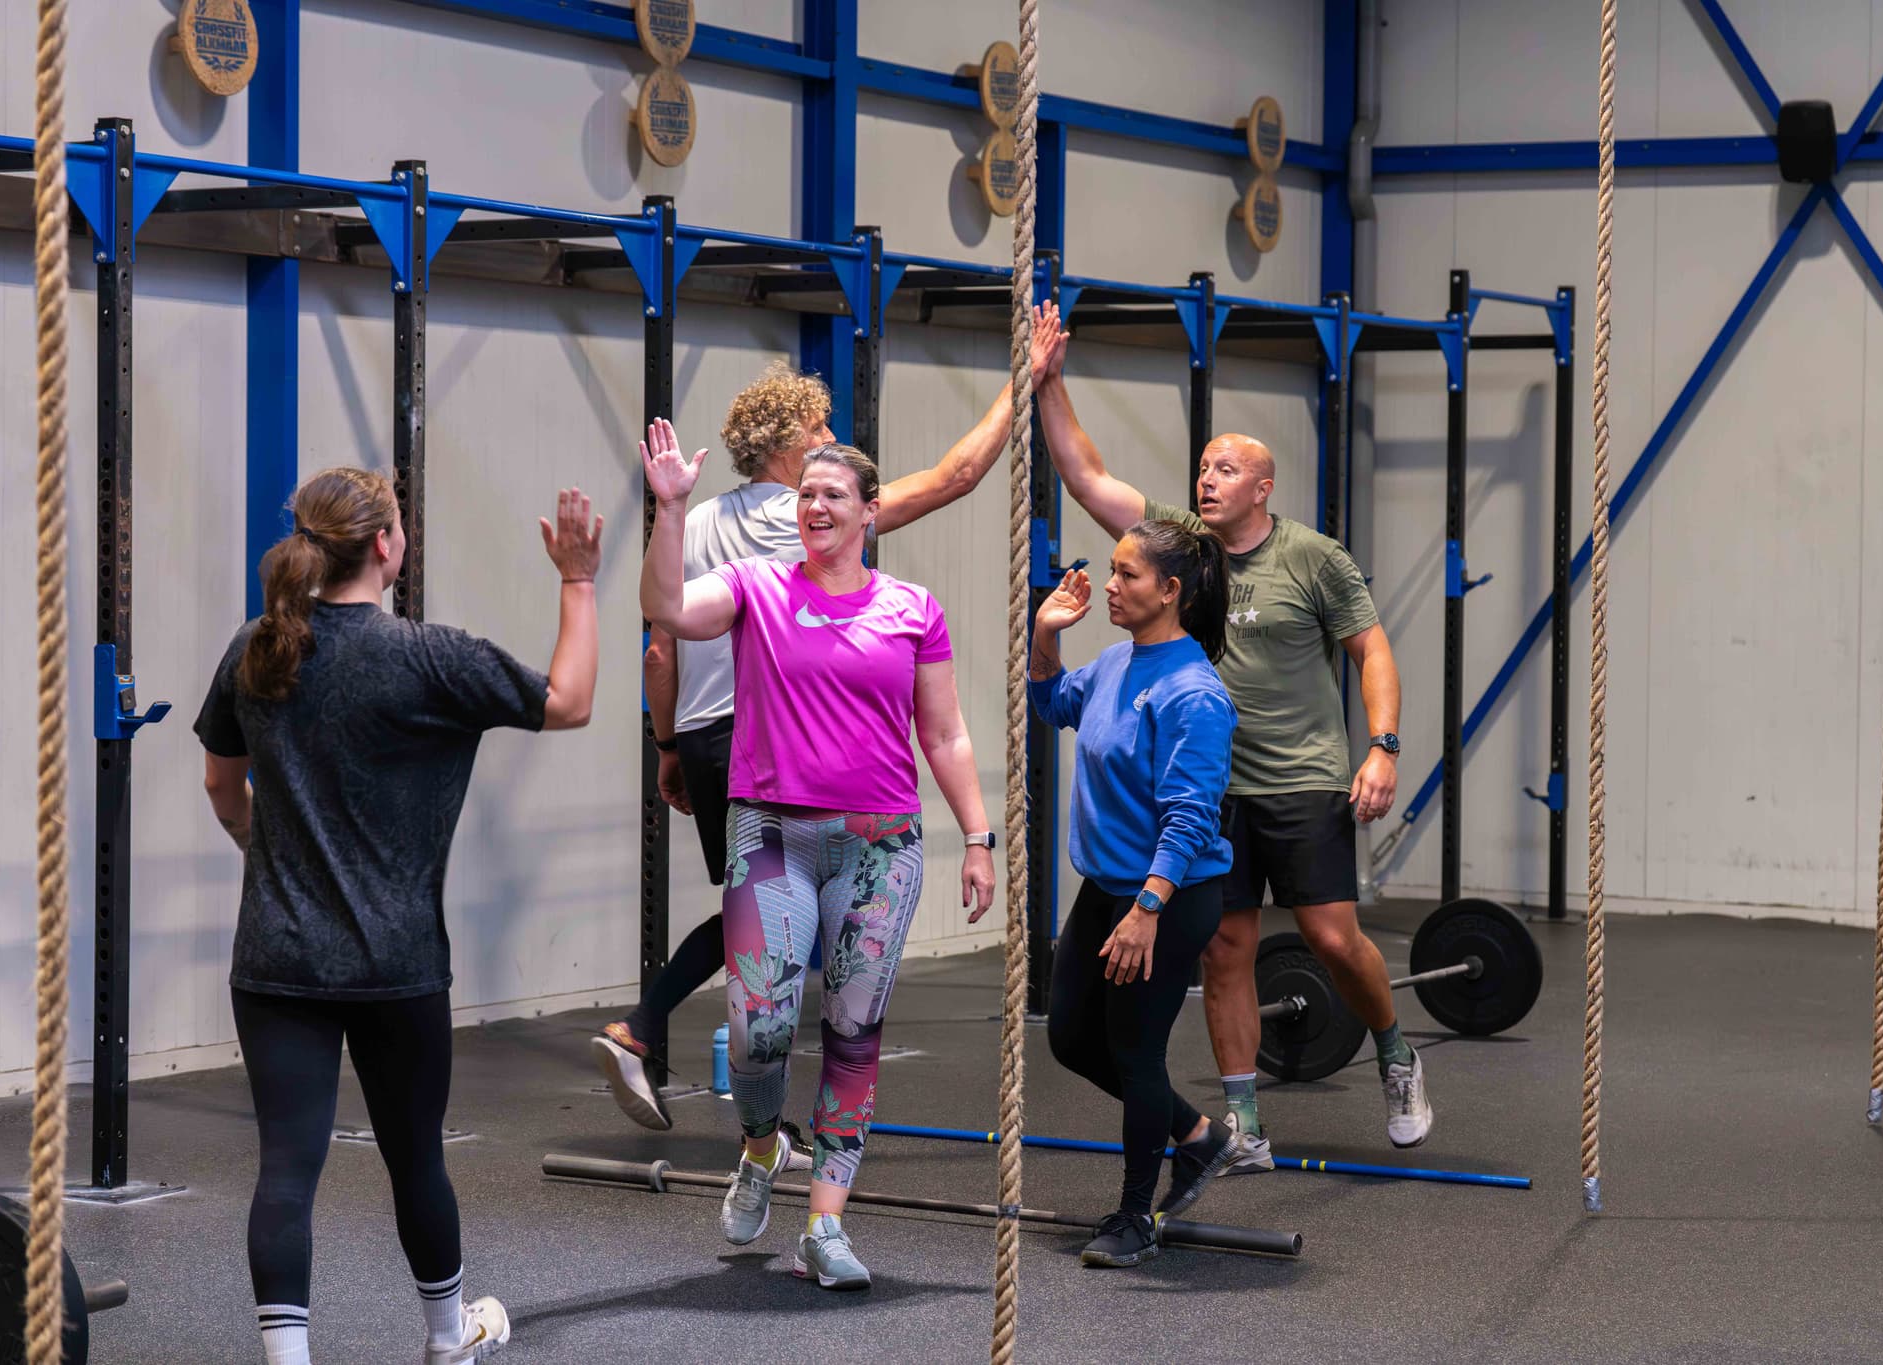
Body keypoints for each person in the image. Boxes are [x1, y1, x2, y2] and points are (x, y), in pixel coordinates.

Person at [195, 467, 605, 1365]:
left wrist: (275, 860)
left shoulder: (256, 650)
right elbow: (571, 701)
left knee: (286, 1170)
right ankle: (448, 1339)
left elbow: (224, 790)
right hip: (397, 961)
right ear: (386, 545)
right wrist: (577, 578)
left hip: (278, 957)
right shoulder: (430, 658)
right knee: (415, 1157)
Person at [595, 358, 1037, 1132]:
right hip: (775, 731)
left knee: (763, 917)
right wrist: (1020, 380)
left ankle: (655, 1030)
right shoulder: (805, 520)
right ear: (783, 451)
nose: (832, 441)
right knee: (781, 928)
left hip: (701, 733)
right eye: (818, 433)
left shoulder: (693, 523)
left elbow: (658, 650)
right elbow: (959, 474)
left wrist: (666, 743)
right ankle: (662, 1034)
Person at [1029, 301, 1427, 1152]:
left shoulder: (1313, 557)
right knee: (1227, 949)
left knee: (1328, 935)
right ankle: (1241, 1122)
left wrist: (1383, 746)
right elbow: (1086, 475)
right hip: (1213, 791)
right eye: (1203, 466)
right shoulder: (1182, 549)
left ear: (1263, 486)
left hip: (1305, 774)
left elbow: (1373, 650)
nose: (1207, 478)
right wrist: (1049, 382)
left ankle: (1395, 1049)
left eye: (1226, 468)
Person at [638, 419, 997, 1291]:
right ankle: (762, 1146)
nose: (815, 507)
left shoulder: (913, 609)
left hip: (881, 843)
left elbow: (944, 734)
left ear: (870, 513)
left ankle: (826, 1224)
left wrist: (978, 837)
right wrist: (672, 508)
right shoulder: (756, 585)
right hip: (771, 832)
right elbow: (668, 612)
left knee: (852, 1028)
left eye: (834, 495)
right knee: (760, 1028)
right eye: (807, 495)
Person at [1030, 522, 1244, 1268]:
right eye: (1113, 572)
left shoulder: (1193, 693)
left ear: (1171, 591)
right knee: (1069, 1038)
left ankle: (1134, 1216)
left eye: (1126, 575)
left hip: (1169, 896)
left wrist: (1147, 911)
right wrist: (1046, 633)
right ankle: (1198, 1135)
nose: (1110, 586)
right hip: (1109, 886)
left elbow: (1189, 817)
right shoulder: (1118, 661)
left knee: (1135, 1051)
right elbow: (1055, 704)